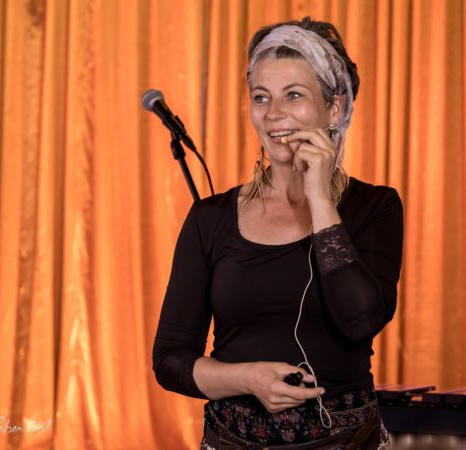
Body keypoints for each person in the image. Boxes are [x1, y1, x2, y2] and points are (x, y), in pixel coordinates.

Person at [152, 16, 403, 450]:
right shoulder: (210, 218)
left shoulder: (374, 207)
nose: (273, 114)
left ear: (335, 108)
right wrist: (247, 378)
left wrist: (319, 198)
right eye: (261, 97)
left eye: (294, 95)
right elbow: (170, 360)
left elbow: (360, 322)